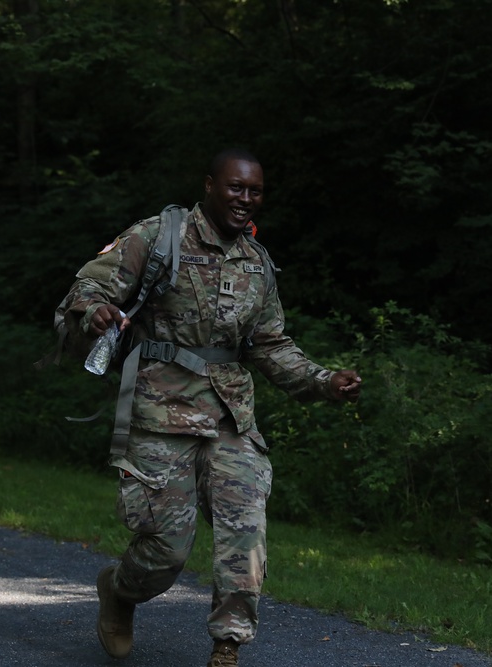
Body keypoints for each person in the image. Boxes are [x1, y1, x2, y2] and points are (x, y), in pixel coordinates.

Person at [58, 148, 362, 667]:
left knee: (245, 530)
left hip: (230, 420)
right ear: (209, 186)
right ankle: (120, 592)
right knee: (165, 552)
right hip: (161, 415)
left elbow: (268, 345)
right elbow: (86, 289)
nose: (246, 199)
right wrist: (96, 312)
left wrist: (322, 381)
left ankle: (228, 644)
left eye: (255, 190)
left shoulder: (257, 262)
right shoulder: (158, 237)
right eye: (236, 188)